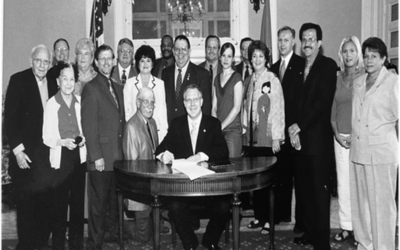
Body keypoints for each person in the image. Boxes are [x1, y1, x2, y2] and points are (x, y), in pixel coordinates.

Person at [155, 84, 230, 250]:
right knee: (174, 206)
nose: (192, 103)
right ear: (184, 102)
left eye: (195, 99)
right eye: (188, 100)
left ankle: (210, 239)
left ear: (202, 101)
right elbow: (160, 149)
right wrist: (163, 155)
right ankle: (190, 243)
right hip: (184, 189)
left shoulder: (213, 123)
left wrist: (201, 156)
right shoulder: (176, 124)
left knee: (225, 204)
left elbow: (223, 151)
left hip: (209, 189)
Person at [4, 44, 58, 250]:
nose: (42, 65)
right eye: (38, 60)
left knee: (45, 210)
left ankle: (41, 245)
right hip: (25, 158)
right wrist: (18, 152)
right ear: (31, 61)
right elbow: (9, 120)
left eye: (46, 61)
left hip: (47, 161)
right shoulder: (18, 80)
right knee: (27, 211)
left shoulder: (54, 82)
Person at [289, 23, 337, 250]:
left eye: (312, 39)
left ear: (319, 43)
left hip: (318, 143)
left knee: (320, 195)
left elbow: (322, 103)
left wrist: (299, 125)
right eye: (304, 39)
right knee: (305, 193)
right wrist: (292, 128)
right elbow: (293, 102)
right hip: (300, 143)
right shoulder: (298, 67)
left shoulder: (328, 66)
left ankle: (321, 243)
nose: (307, 43)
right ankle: (309, 233)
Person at [350, 37, 398, 250]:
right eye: (366, 56)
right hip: (359, 151)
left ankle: (384, 247)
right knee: (361, 205)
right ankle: (365, 243)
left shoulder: (393, 82)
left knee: (382, 207)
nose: (369, 60)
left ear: (384, 59)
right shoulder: (359, 82)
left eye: (374, 56)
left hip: (382, 154)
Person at [81, 44, 125, 250]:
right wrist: (96, 156)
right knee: (97, 205)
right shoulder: (90, 88)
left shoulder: (118, 87)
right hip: (100, 158)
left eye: (110, 58)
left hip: (117, 157)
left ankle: (111, 235)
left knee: (113, 203)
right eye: (103, 59)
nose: (107, 62)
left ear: (114, 61)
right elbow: (89, 127)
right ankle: (95, 242)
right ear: (96, 63)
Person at [42, 62, 87, 250]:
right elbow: (46, 137)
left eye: (72, 79)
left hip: (78, 158)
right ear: (58, 81)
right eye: (65, 79)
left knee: (77, 207)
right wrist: (62, 142)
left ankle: (76, 245)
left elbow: (83, 128)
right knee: (59, 208)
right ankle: (58, 246)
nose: (69, 83)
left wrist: (82, 139)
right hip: (61, 159)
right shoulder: (51, 104)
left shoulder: (79, 101)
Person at [242, 40, 285, 234]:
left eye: (261, 56)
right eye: (254, 56)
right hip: (251, 138)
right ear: (250, 59)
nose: (257, 59)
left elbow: (278, 109)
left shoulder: (272, 79)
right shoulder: (250, 79)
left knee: (268, 182)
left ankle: (270, 220)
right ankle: (259, 217)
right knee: (256, 181)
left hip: (267, 137)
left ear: (266, 58)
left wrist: (277, 137)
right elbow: (246, 106)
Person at [270, 26, 306, 230]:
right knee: (281, 175)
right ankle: (282, 215)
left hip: (297, 130)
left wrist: (297, 126)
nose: (282, 44)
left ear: (293, 42)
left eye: (286, 40)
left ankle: (301, 222)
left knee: (299, 179)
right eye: (280, 40)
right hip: (279, 131)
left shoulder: (302, 64)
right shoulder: (273, 69)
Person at [330, 36, 364, 244]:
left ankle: (361, 229)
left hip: (360, 138)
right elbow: (332, 111)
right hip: (340, 138)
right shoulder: (336, 78)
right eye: (345, 51)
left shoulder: (365, 77)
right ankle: (346, 227)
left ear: (358, 53)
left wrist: (357, 135)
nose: (348, 55)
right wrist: (336, 134)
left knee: (360, 185)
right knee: (343, 184)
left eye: (352, 51)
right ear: (341, 55)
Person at [122, 87, 159, 243]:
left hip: (151, 187)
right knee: (144, 238)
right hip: (140, 190)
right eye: (146, 102)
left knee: (152, 232)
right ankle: (122, 227)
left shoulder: (152, 122)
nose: (150, 106)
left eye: (152, 102)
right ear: (138, 103)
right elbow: (132, 165)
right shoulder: (131, 127)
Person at [162, 35, 212, 123]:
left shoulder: (201, 74)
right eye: (177, 49)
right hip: (171, 129)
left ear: (189, 51)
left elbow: (206, 108)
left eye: (184, 49)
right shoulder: (165, 73)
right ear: (173, 51)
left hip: (191, 129)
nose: (180, 53)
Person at [124, 45, 168, 141]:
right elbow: (127, 111)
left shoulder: (160, 84)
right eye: (142, 60)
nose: (145, 64)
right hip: (135, 134)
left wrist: (164, 137)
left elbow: (162, 112)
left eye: (148, 60)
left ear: (152, 64)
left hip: (155, 133)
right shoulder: (129, 84)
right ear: (137, 63)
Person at [211, 42, 243, 158]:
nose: (226, 59)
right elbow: (214, 106)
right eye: (223, 55)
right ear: (219, 57)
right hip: (218, 131)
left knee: (234, 168)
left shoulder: (237, 78)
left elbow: (236, 108)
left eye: (229, 56)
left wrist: (221, 126)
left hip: (232, 130)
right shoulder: (216, 78)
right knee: (219, 167)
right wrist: (216, 127)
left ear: (233, 59)